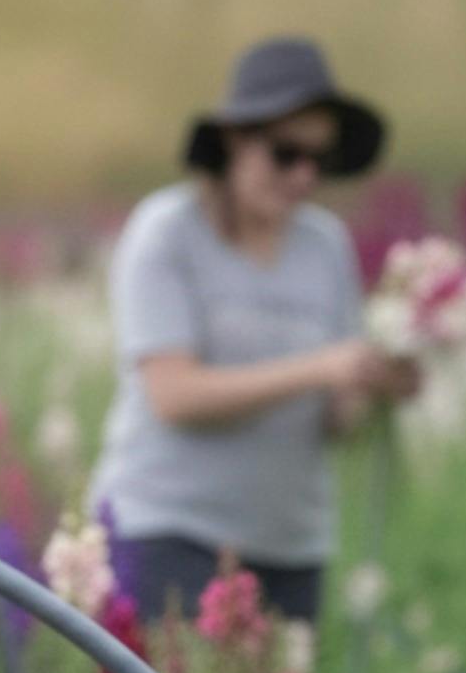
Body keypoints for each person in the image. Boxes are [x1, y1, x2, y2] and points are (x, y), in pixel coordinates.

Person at [89, 36, 419, 625]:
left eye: (319, 161)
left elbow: (333, 421)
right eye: (286, 153)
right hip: (171, 534)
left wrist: (374, 382)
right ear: (236, 139)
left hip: (290, 547)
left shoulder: (324, 245)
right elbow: (174, 394)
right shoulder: (166, 233)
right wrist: (320, 367)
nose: (303, 176)